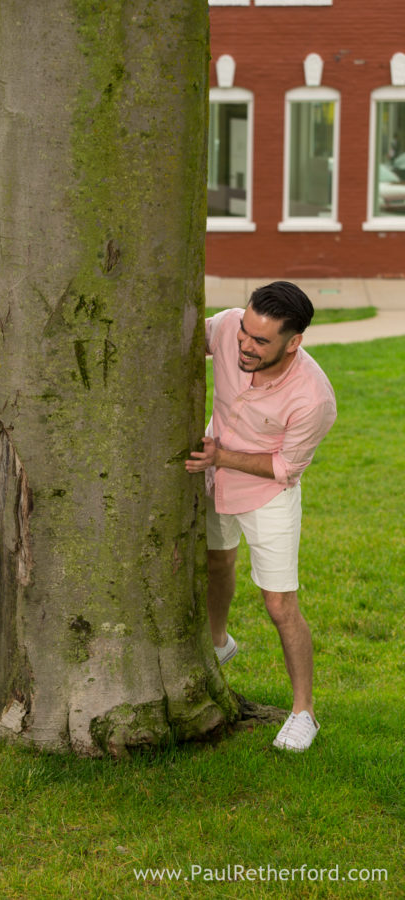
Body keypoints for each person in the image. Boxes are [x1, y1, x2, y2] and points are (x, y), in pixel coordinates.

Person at [185, 281, 336, 752]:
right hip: (215, 470)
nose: (245, 346)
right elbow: (191, 340)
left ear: (294, 342)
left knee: (279, 604)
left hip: (265, 492)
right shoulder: (231, 324)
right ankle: (218, 643)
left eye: (260, 341)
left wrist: (221, 457)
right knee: (216, 560)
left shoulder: (314, 399)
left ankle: (303, 711)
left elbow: (284, 468)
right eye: (245, 334)